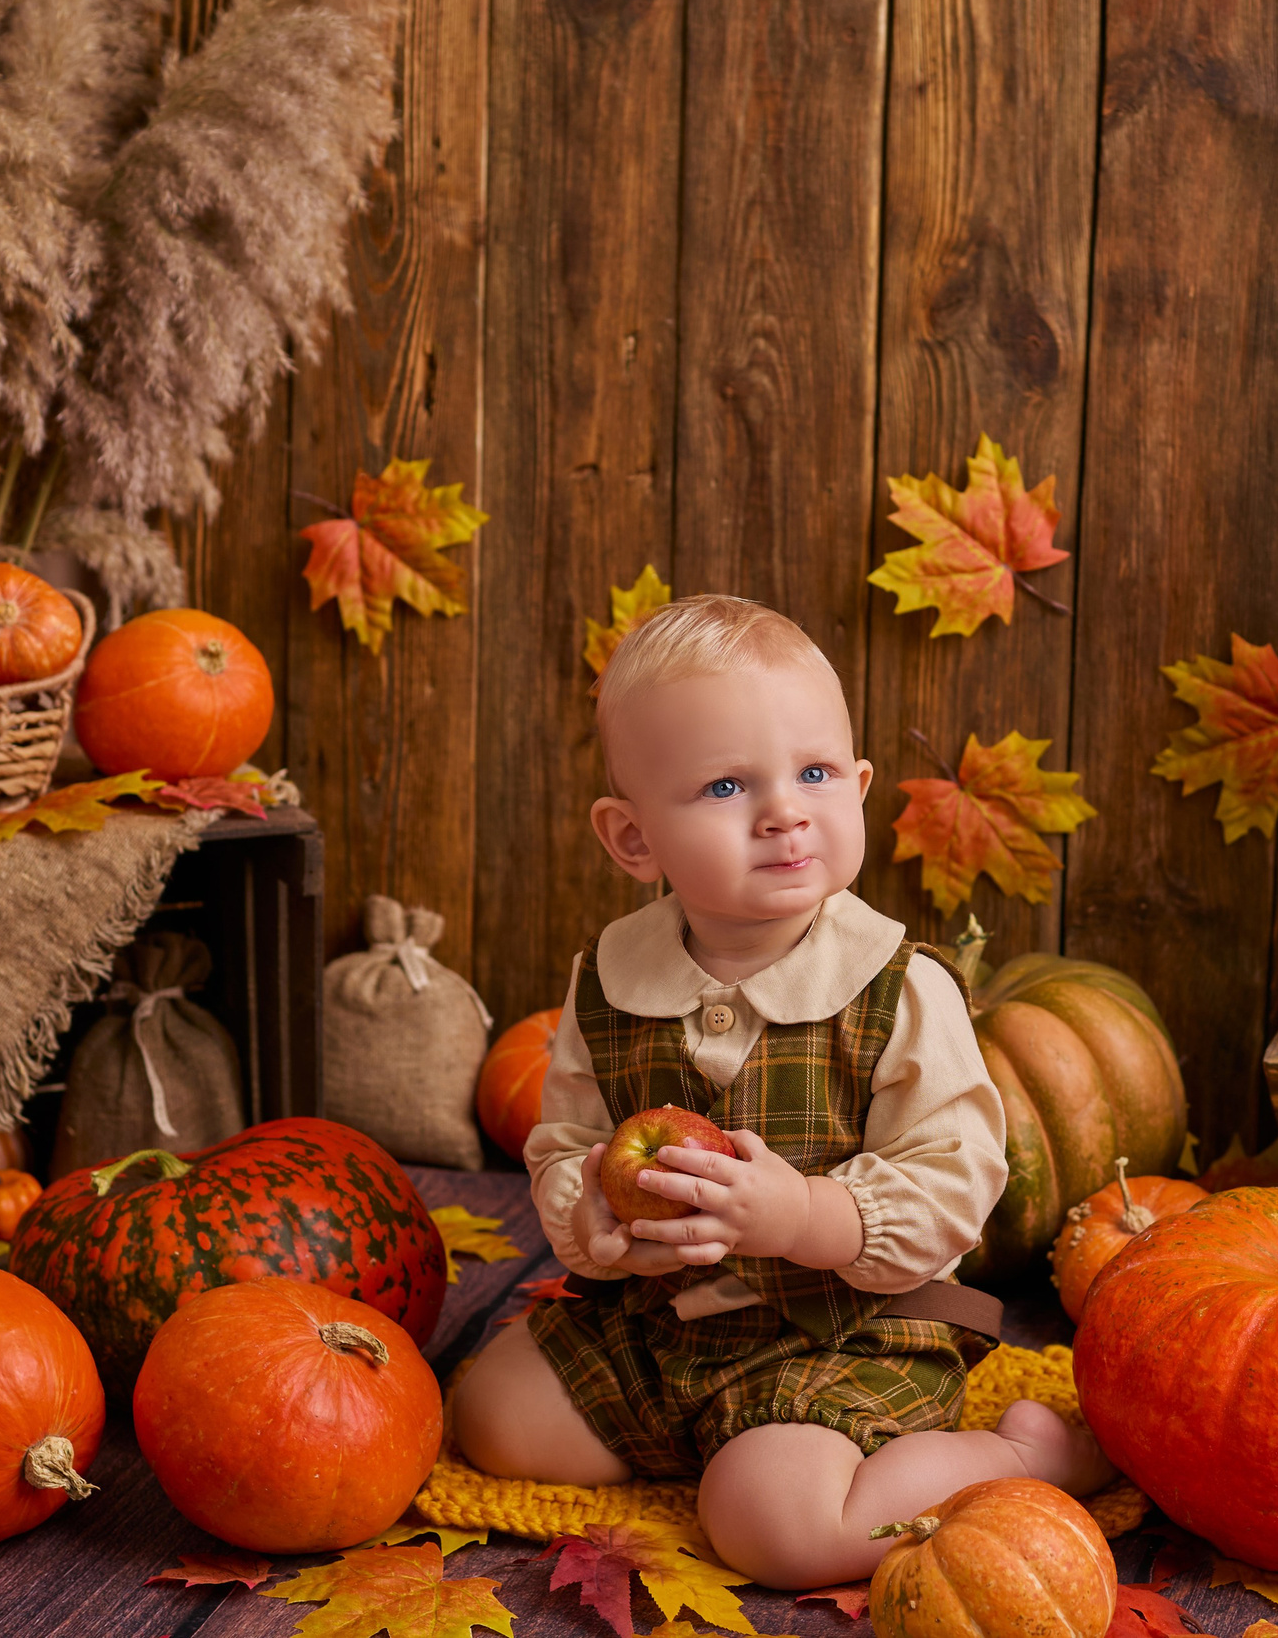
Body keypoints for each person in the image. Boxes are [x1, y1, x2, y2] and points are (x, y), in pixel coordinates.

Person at [449, 595, 1111, 1588]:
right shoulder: (611, 976)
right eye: (726, 785)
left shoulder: (895, 986)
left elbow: (954, 1182)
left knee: (781, 1531)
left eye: (812, 774)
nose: (784, 812)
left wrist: (804, 1212)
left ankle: (1023, 1460)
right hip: (657, 1320)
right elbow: (566, 1137)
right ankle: (704, 1437)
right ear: (633, 841)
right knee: (485, 1414)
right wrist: (596, 1218)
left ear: (856, 784)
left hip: (838, 1329)